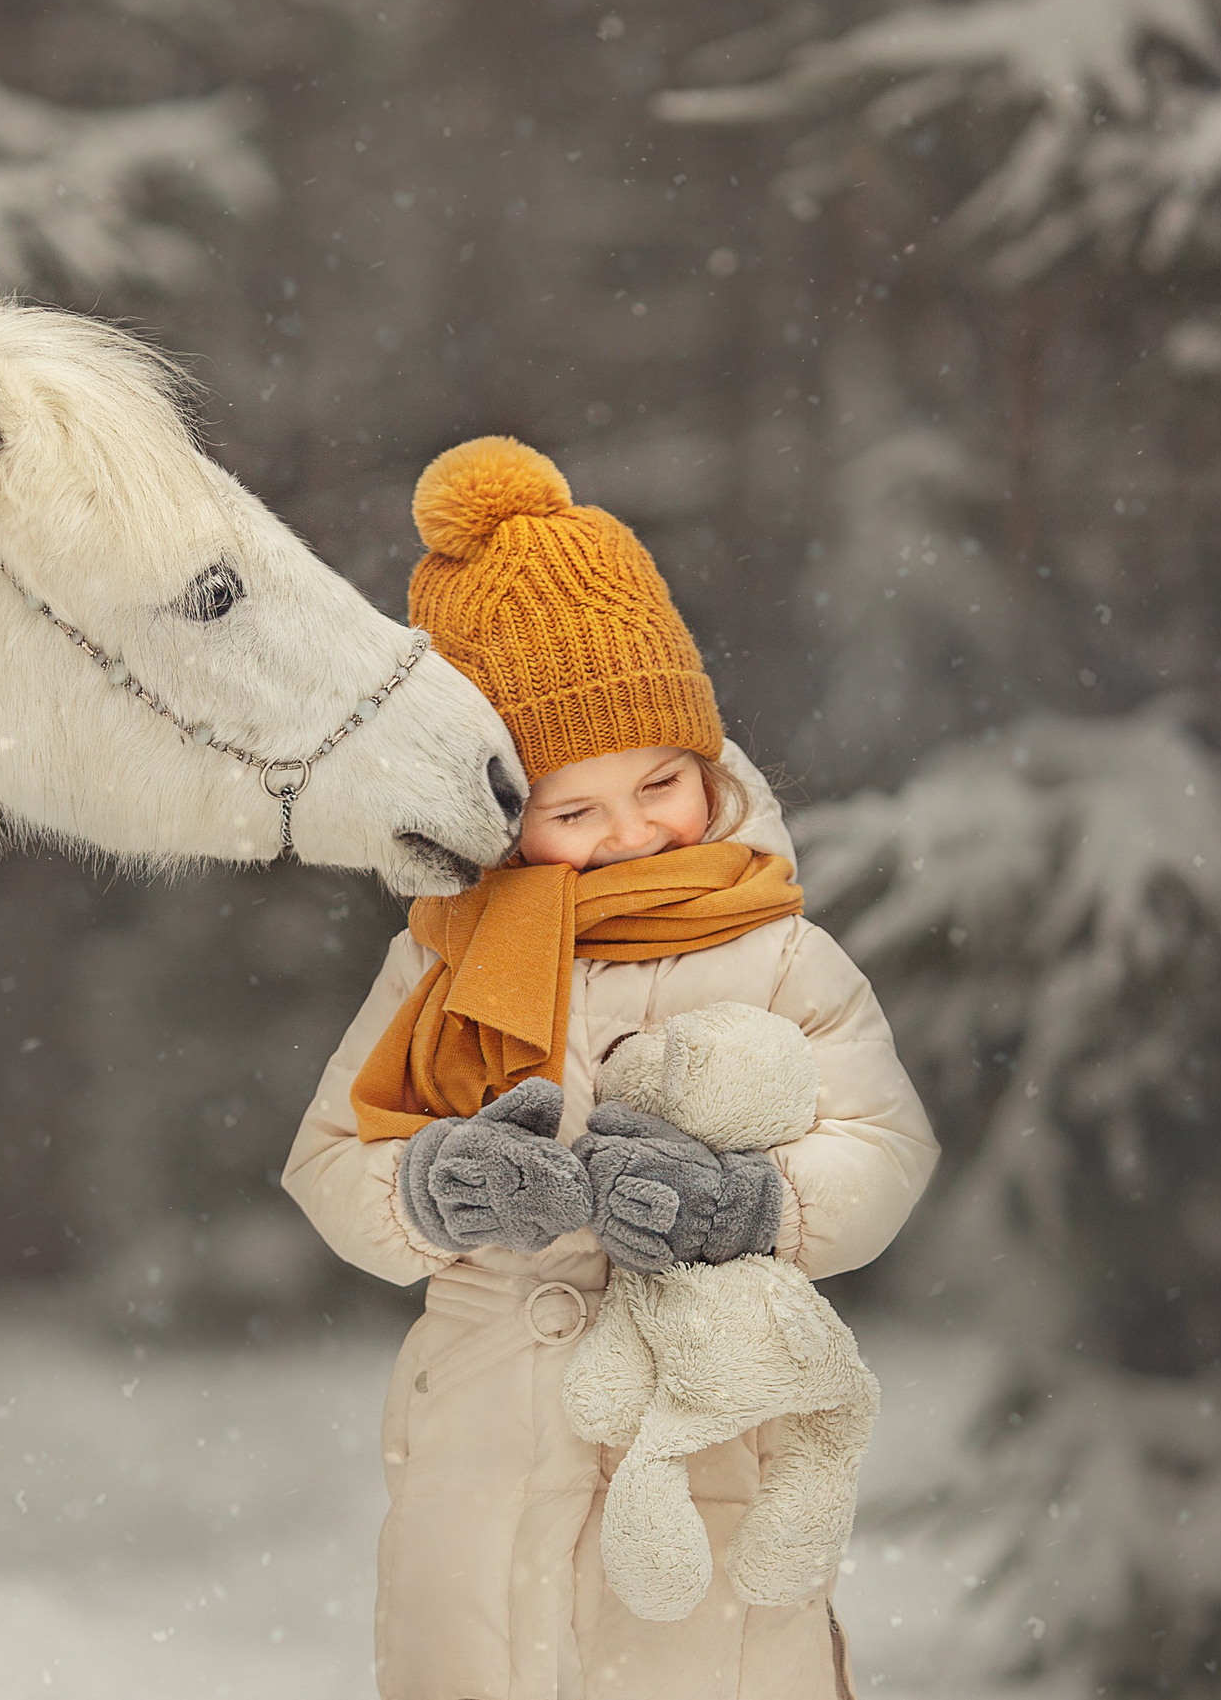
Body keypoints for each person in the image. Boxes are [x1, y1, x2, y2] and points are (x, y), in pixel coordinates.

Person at [284, 435, 938, 1700]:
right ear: (499, 811)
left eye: (661, 785)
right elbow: (330, 1153)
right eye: (571, 813)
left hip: (701, 1435)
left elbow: (883, 1140)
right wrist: (433, 1188)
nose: (632, 833)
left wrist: (755, 1207)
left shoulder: (774, 942)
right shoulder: (439, 954)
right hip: (486, 1439)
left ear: (705, 762)